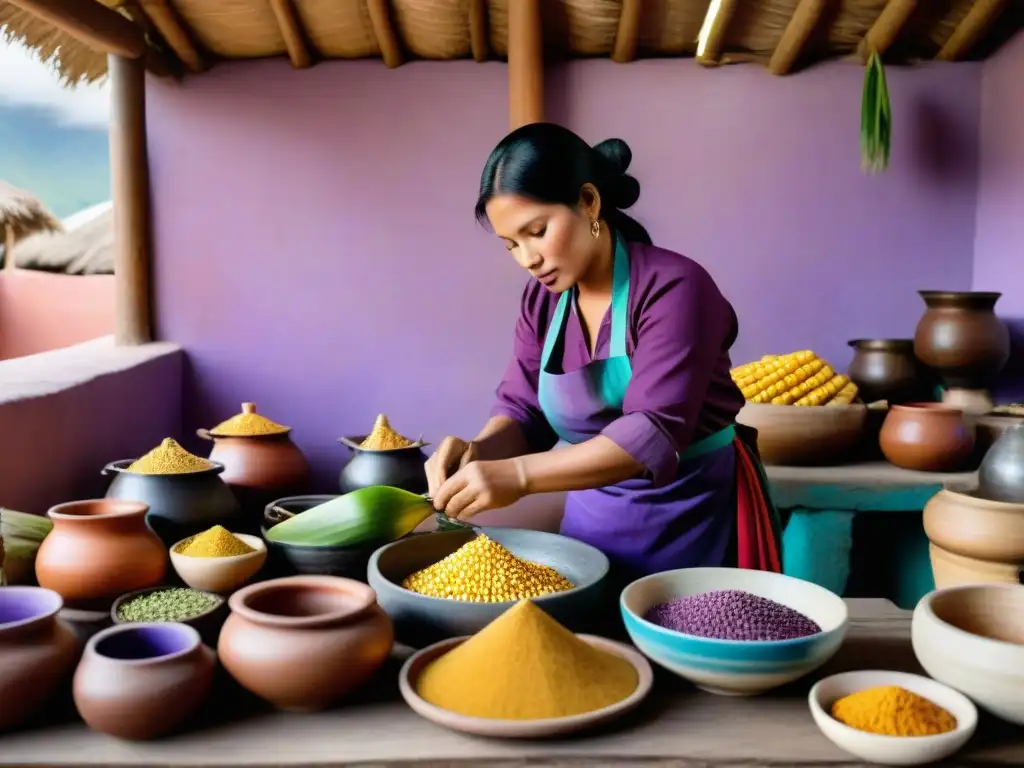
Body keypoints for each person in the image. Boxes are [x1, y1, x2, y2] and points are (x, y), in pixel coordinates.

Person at [425, 122, 781, 580]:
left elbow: (651, 433)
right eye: (511, 244)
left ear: (588, 201)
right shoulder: (543, 300)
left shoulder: (675, 289)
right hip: (590, 523)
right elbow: (523, 410)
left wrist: (516, 477)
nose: (527, 259)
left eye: (537, 230)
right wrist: (480, 451)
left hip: (691, 518)